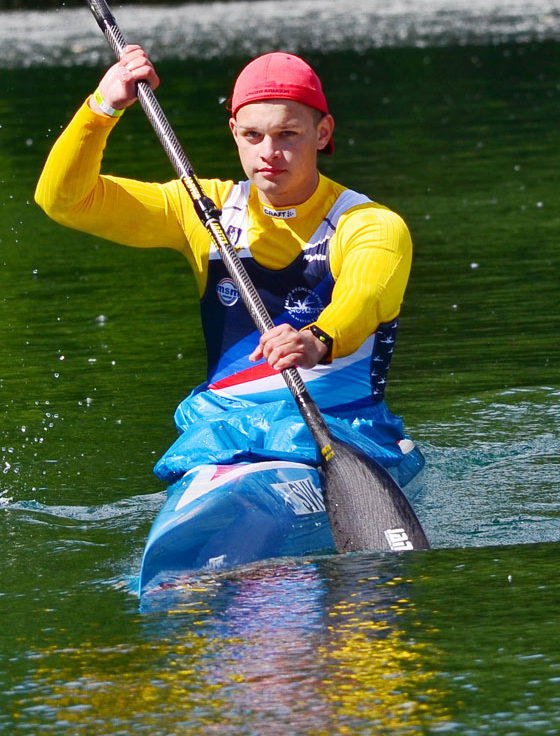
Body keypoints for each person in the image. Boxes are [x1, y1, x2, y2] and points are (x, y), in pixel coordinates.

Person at [34, 48, 415, 482]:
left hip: (340, 427)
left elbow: (366, 294)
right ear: (234, 132)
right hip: (222, 435)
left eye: (288, 134)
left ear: (323, 133)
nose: (269, 152)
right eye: (252, 135)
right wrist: (102, 107)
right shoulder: (202, 209)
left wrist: (319, 340)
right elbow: (64, 201)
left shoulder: (369, 223)